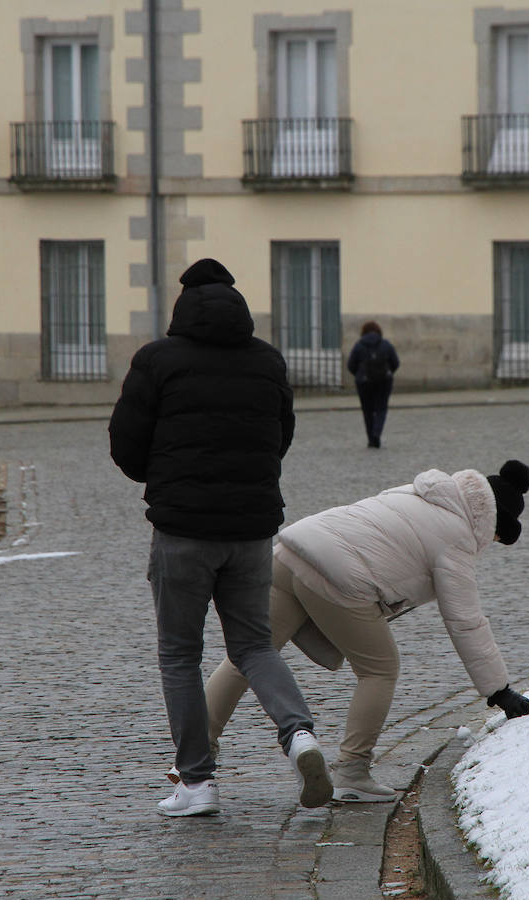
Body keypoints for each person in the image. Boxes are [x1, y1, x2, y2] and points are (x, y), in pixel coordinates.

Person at [109, 257, 332, 817]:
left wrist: (162, 479)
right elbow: (281, 436)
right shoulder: (267, 361)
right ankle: (299, 735)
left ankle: (197, 782)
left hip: (182, 531)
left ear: (181, 307)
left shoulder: (157, 360)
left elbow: (125, 442)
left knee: (180, 654)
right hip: (252, 531)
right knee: (254, 645)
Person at [195, 459, 529, 803]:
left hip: (292, 549)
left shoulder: (420, 493)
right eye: (497, 536)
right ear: (492, 521)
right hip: (338, 575)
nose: (491, 543)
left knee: (248, 654)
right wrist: (499, 690)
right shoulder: (459, 537)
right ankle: (352, 772)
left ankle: (194, 757)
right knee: (380, 669)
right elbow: (465, 620)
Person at [346, 321, 400, 448]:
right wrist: (388, 372)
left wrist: (359, 375)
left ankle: (371, 438)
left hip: (364, 383)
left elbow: (350, 365)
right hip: (383, 381)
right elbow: (396, 362)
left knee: (367, 411)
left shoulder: (359, 346)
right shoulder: (386, 345)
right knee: (381, 409)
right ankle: (377, 433)